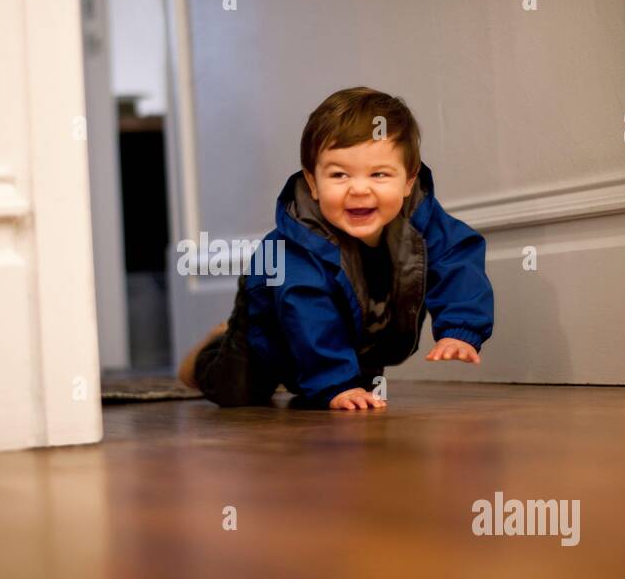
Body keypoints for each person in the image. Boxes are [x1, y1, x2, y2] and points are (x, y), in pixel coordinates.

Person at [177, 86, 494, 411]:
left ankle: (326, 372)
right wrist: (335, 384)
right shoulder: (295, 251)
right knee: (240, 393)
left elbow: (458, 261)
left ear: (409, 182)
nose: (359, 188)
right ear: (313, 182)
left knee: (359, 392)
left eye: (379, 174)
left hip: (354, 324)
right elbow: (308, 315)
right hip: (273, 316)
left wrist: (460, 328)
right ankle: (209, 349)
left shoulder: (422, 221)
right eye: (339, 174)